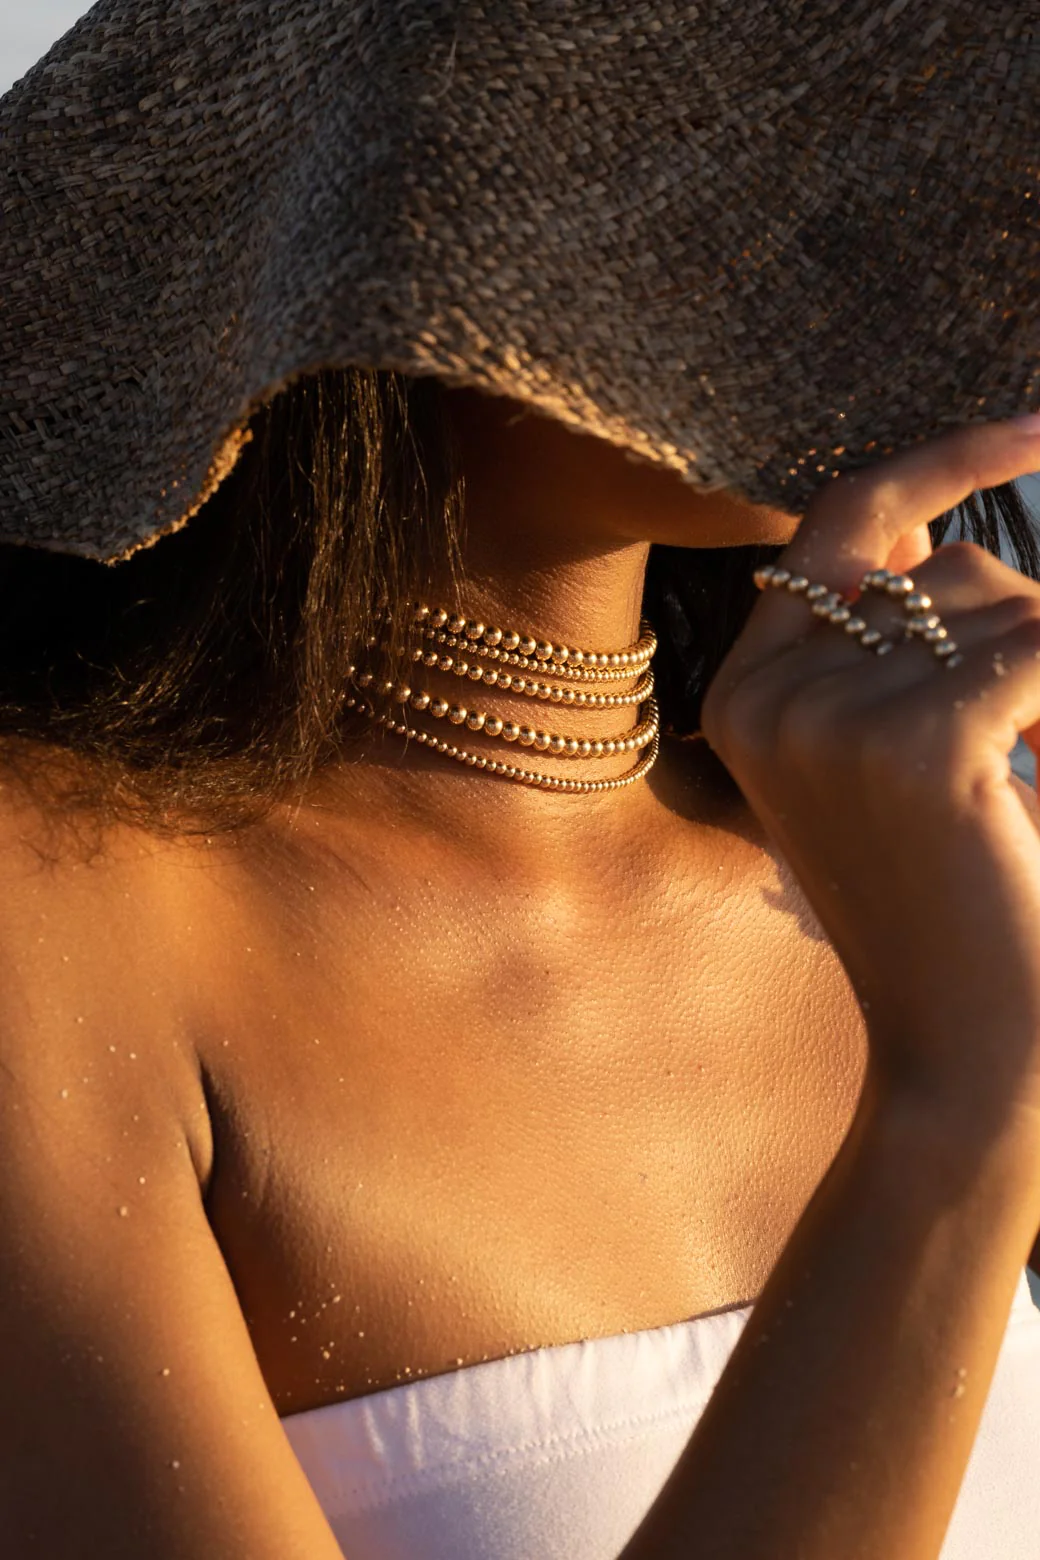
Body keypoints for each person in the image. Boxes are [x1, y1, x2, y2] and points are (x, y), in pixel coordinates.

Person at [2, 5, 1040, 1558]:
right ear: (365, 219)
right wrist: (954, 1125)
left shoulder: (918, 855)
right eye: (736, 134)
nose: (854, 220)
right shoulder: (57, 917)